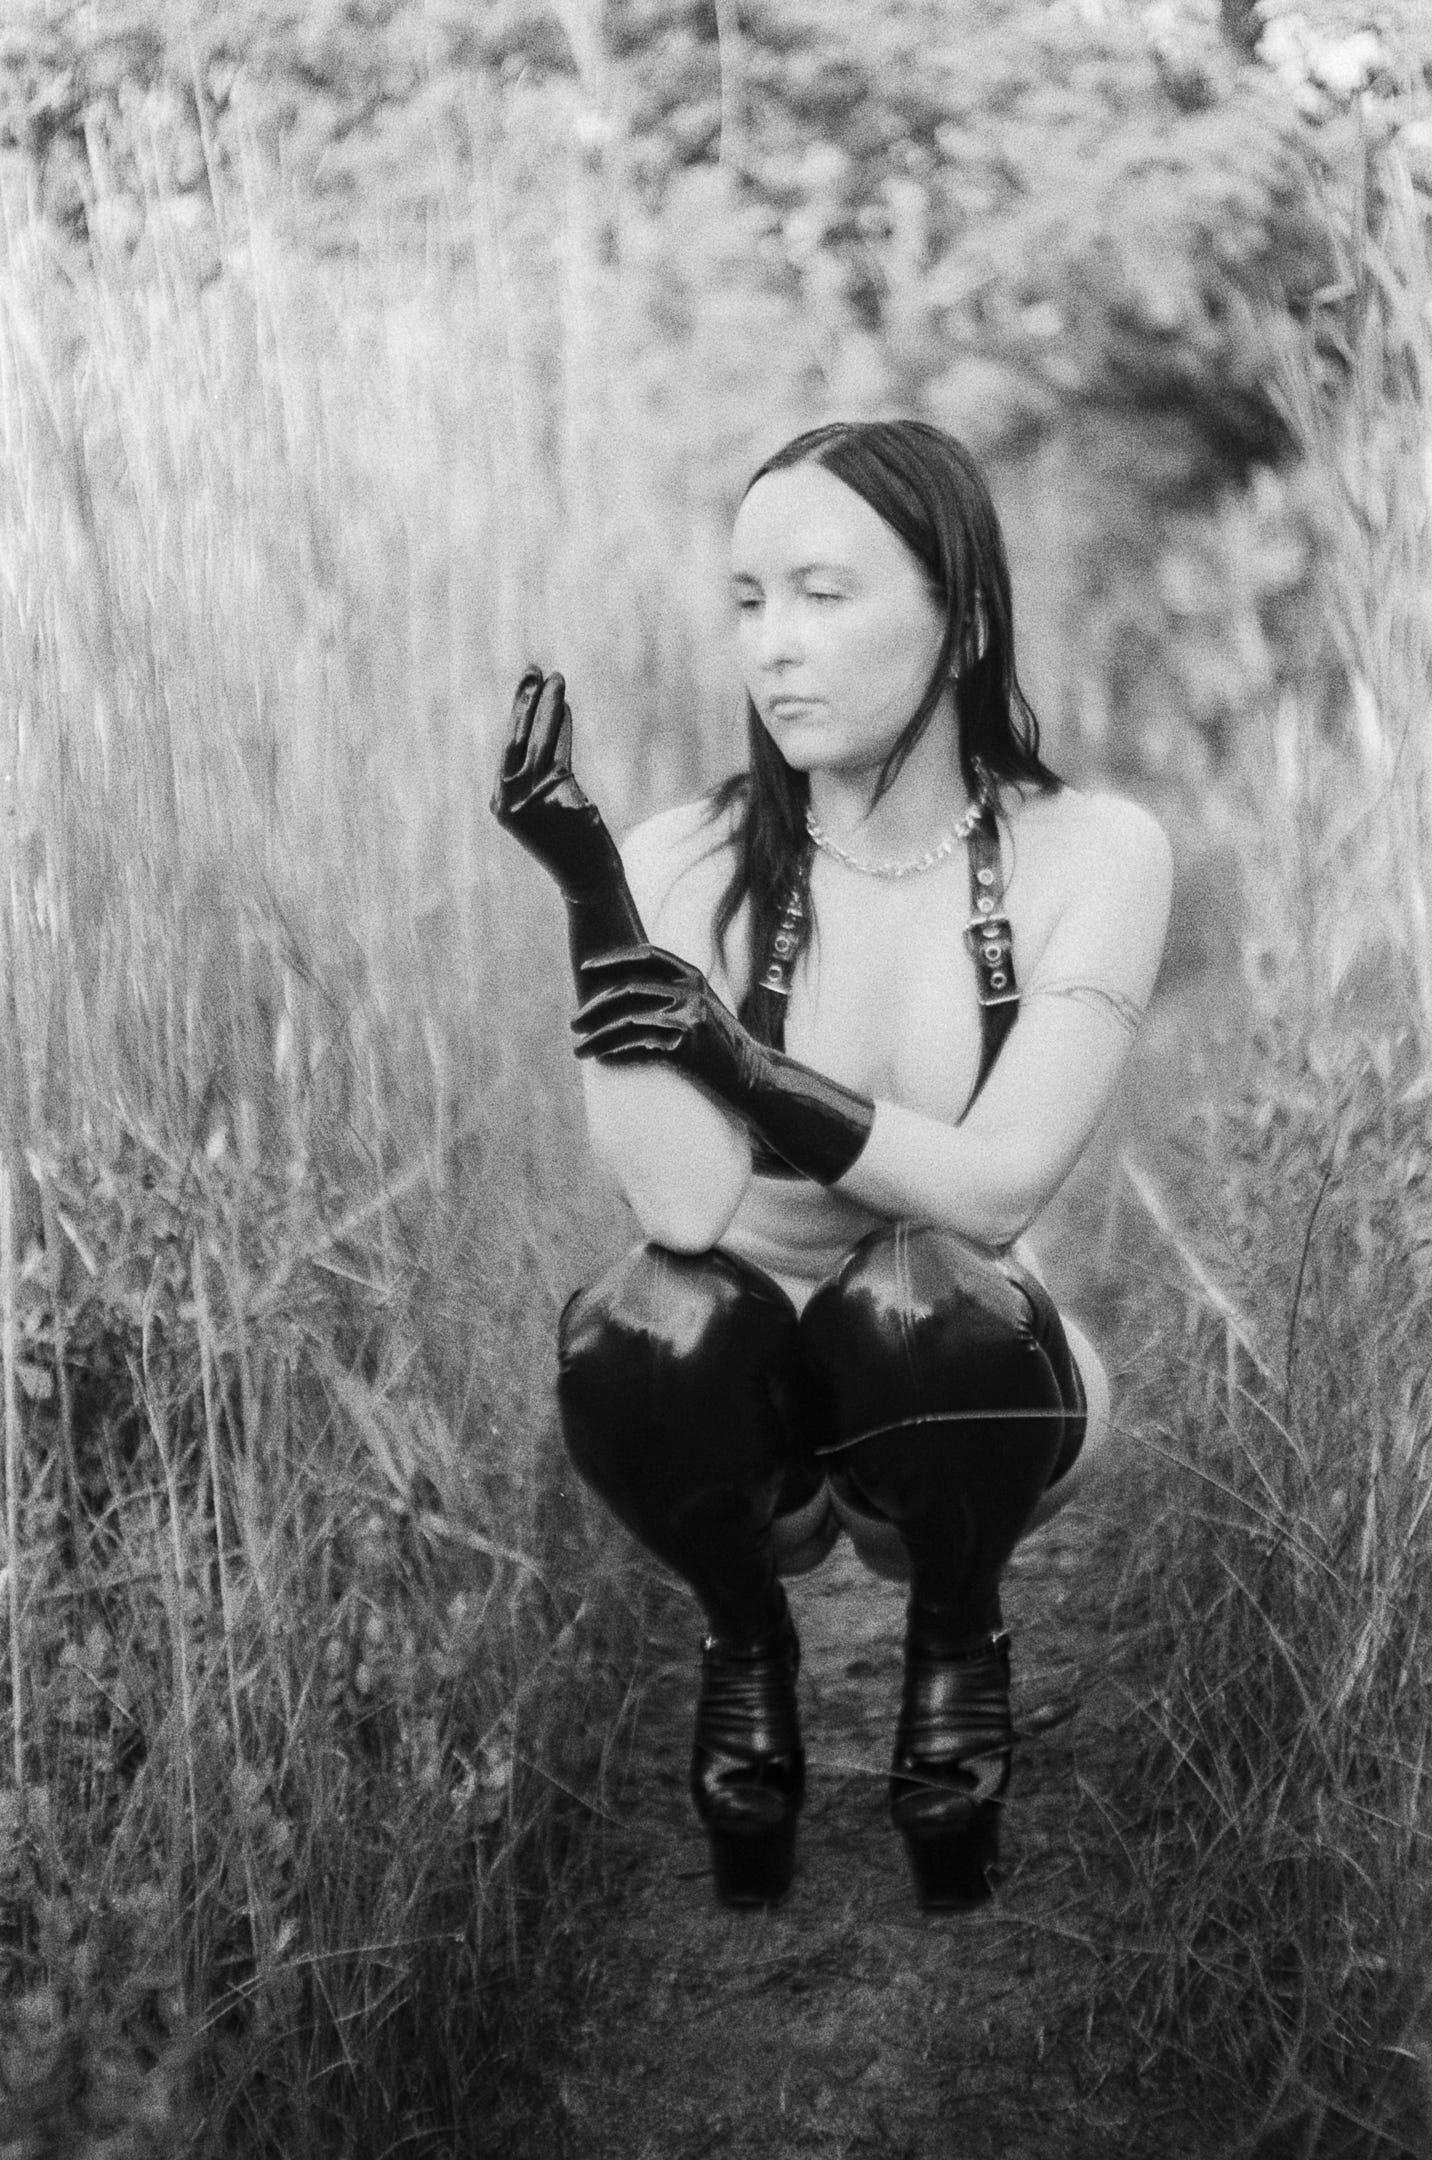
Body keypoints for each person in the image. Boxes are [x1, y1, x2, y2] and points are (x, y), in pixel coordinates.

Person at [490, 419, 1171, 1913]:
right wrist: (600, 897)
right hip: (746, 1390)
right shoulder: (686, 855)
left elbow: (996, 1190)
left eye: (823, 594)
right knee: (640, 1318)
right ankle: (745, 1637)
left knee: (921, 1291)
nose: (774, 649)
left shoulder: (1092, 852)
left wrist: (739, 1060)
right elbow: (681, 1210)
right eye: (748, 602)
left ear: (964, 619)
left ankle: (953, 1633)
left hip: (972, 1368)